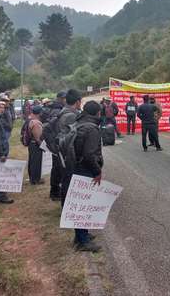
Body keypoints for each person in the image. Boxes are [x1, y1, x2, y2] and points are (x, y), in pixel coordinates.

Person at [67, 101, 103, 252]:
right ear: (97, 113)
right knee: (84, 205)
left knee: (81, 203)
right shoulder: (92, 128)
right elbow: (89, 154)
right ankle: (83, 241)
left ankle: (82, 236)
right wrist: (97, 171)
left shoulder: (79, 122)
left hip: (76, 165)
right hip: (86, 169)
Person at [59, 89, 83, 202]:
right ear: (77, 102)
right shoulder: (71, 116)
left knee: (66, 180)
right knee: (69, 181)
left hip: (64, 153)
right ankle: (67, 207)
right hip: (70, 155)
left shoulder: (63, 112)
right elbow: (72, 137)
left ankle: (65, 206)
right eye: (80, 101)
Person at [47, 91, 66, 200]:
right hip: (57, 145)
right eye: (63, 98)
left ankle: (55, 191)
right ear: (59, 98)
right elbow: (55, 128)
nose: (65, 100)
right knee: (57, 169)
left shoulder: (54, 108)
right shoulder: (57, 110)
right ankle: (54, 192)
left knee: (57, 168)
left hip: (55, 144)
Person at [27, 106, 44, 185]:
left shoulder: (31, 120)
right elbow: (38, 138)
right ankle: (35, 180)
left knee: (32, 161)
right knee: (36, 162)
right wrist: (43, 146)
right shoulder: (36, 123)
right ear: (40, 113)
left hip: (32, 144)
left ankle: (32, 178)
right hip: (35, 144)